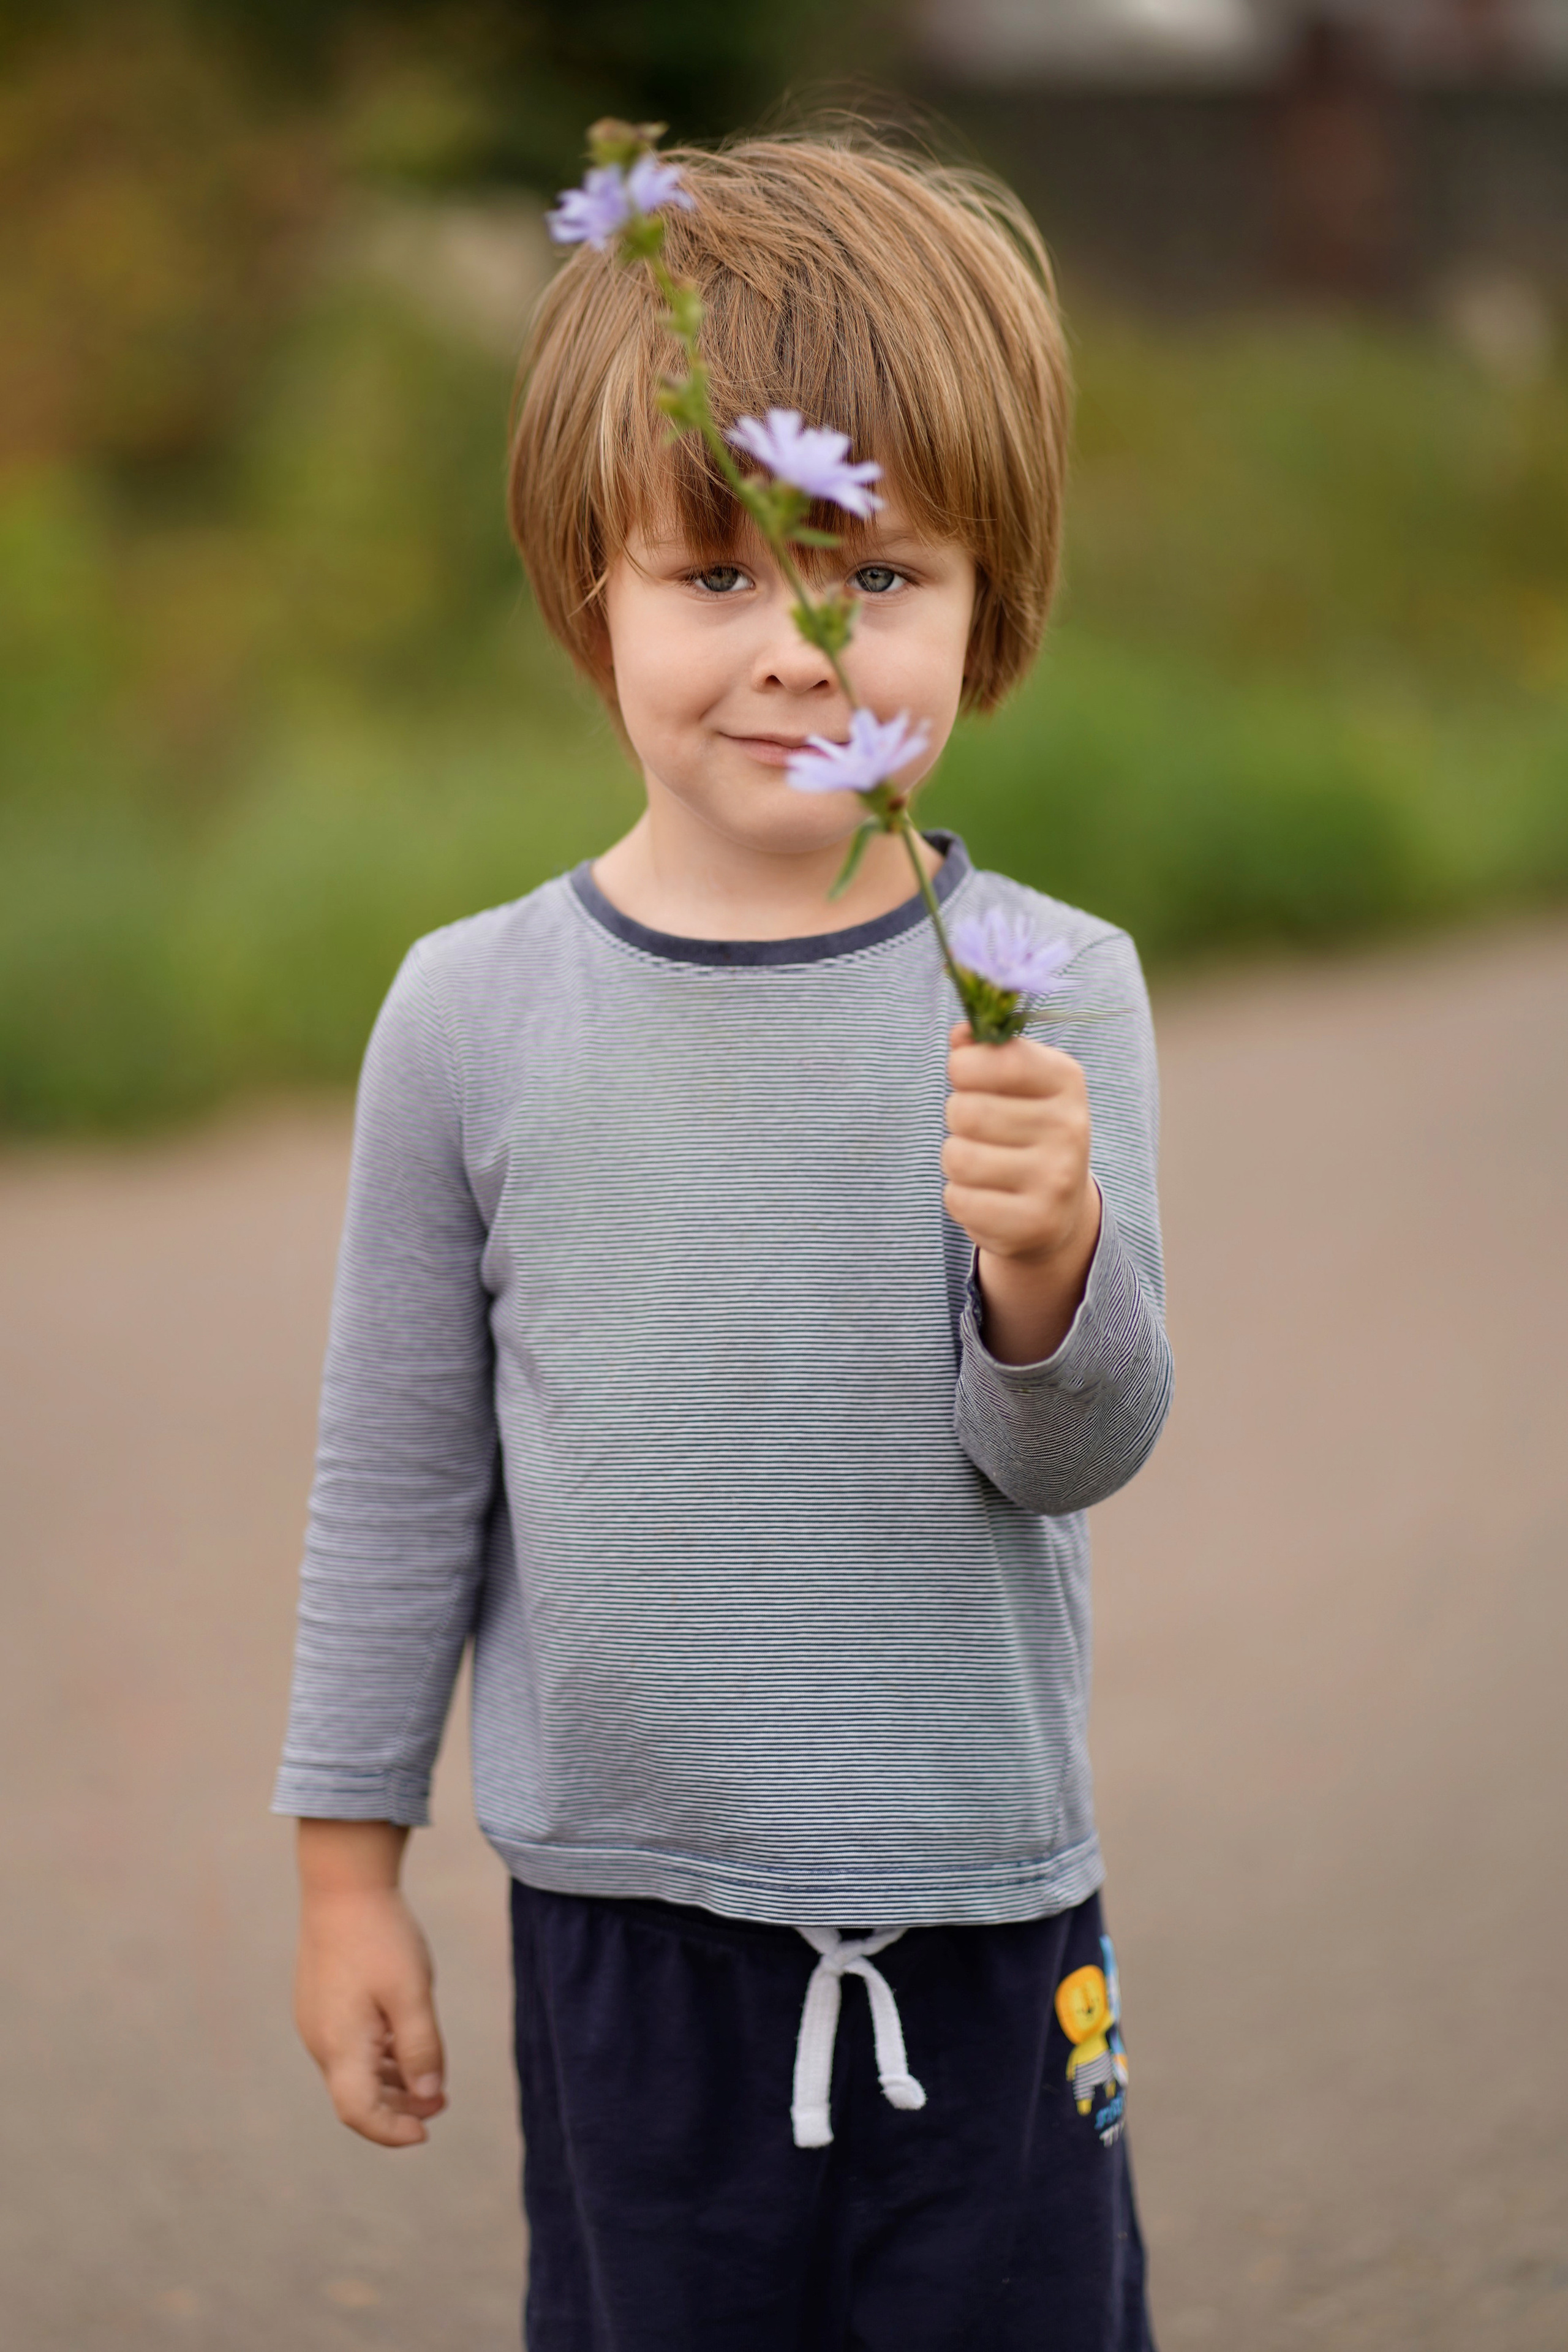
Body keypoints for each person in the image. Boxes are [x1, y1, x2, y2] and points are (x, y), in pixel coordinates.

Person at [275, 129, 1174, 2351]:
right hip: (621, 1927)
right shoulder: (472, 1014)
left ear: (997, 605)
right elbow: (398, 1477)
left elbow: (1073, 1459)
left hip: (979, 1911)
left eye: (877, 580)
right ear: (592, 591)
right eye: (714, 577)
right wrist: (343, 1878)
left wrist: (1047, 1275)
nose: (795, 649)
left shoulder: (1044, 986)